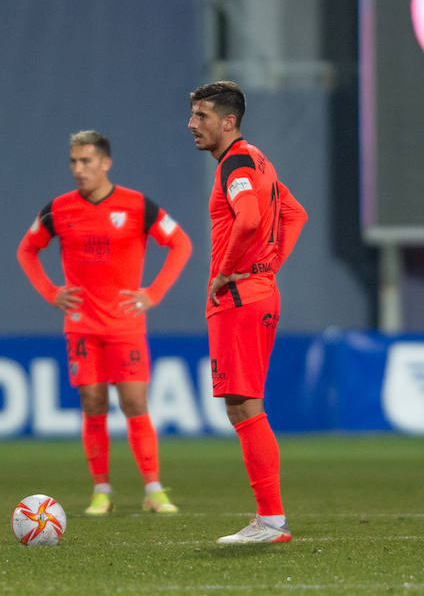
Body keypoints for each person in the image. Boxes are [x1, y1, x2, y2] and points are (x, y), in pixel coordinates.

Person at [17, 130, 192, 516]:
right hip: (82, 326)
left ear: (105, 163)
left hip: (125, 324)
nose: (79, 170)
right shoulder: (58, 209)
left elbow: (180, 242)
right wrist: (51, 292)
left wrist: (154, 293)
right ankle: (102, 491)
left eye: (86, 162)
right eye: (74, 162)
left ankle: (153, 490)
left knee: (134, 402)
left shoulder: (136, 206)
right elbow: (27, 250)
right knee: (93, 403)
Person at [186, 81, 308, 544]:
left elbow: (251, 218)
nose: (192, 124)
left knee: (244, 407)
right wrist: (269, 265)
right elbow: (296, 214)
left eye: (202, 115)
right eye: (193, 115)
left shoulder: (235, 163)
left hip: (238, 299)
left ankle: (271, 520)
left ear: (228, 121)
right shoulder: (259, 160)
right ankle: (270, 519)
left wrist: (226, 270)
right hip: (259, 292)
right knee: (245, 406)